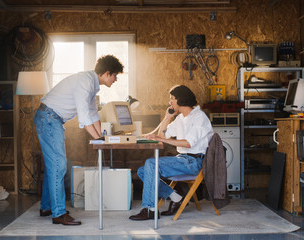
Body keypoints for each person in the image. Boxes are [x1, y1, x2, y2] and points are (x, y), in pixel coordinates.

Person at [34, 55, 124, 225]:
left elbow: (92, 113)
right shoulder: (85, 83)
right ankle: (58, 214)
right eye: (115, 75)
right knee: (59, 166)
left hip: (52, 119)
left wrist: (101, 136)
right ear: (106, 73)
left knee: (53, 165)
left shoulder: (91, 84)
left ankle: (47, 206)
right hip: (49, 118)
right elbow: (83, 117)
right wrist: (98, 138)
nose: (116, 79)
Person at [129, 85, 214, 221]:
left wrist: (164, 140)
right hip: (183, 159)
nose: (170, 102)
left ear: (180, 100)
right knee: (142, 171)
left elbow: (188, 143)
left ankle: (150, 209)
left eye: (172, 99)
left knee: (150, 164)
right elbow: (162, 135)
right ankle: (176, 197)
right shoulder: (180, 118)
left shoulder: (199, 117)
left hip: (194, 162)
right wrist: (167, 117)